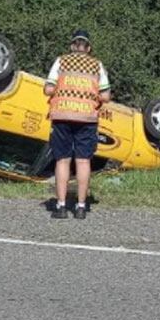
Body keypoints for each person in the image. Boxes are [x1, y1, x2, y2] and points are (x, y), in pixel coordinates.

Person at [44, 29, 111, 219]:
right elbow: (105, 96)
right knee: (83, 161)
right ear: (88, 48)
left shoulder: (61, 61)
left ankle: (61, 206)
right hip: (87, 118)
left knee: (62, 160)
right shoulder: (97, 65)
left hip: (62, 115)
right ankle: (81, 207)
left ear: (72, 46)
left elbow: (49, 89)